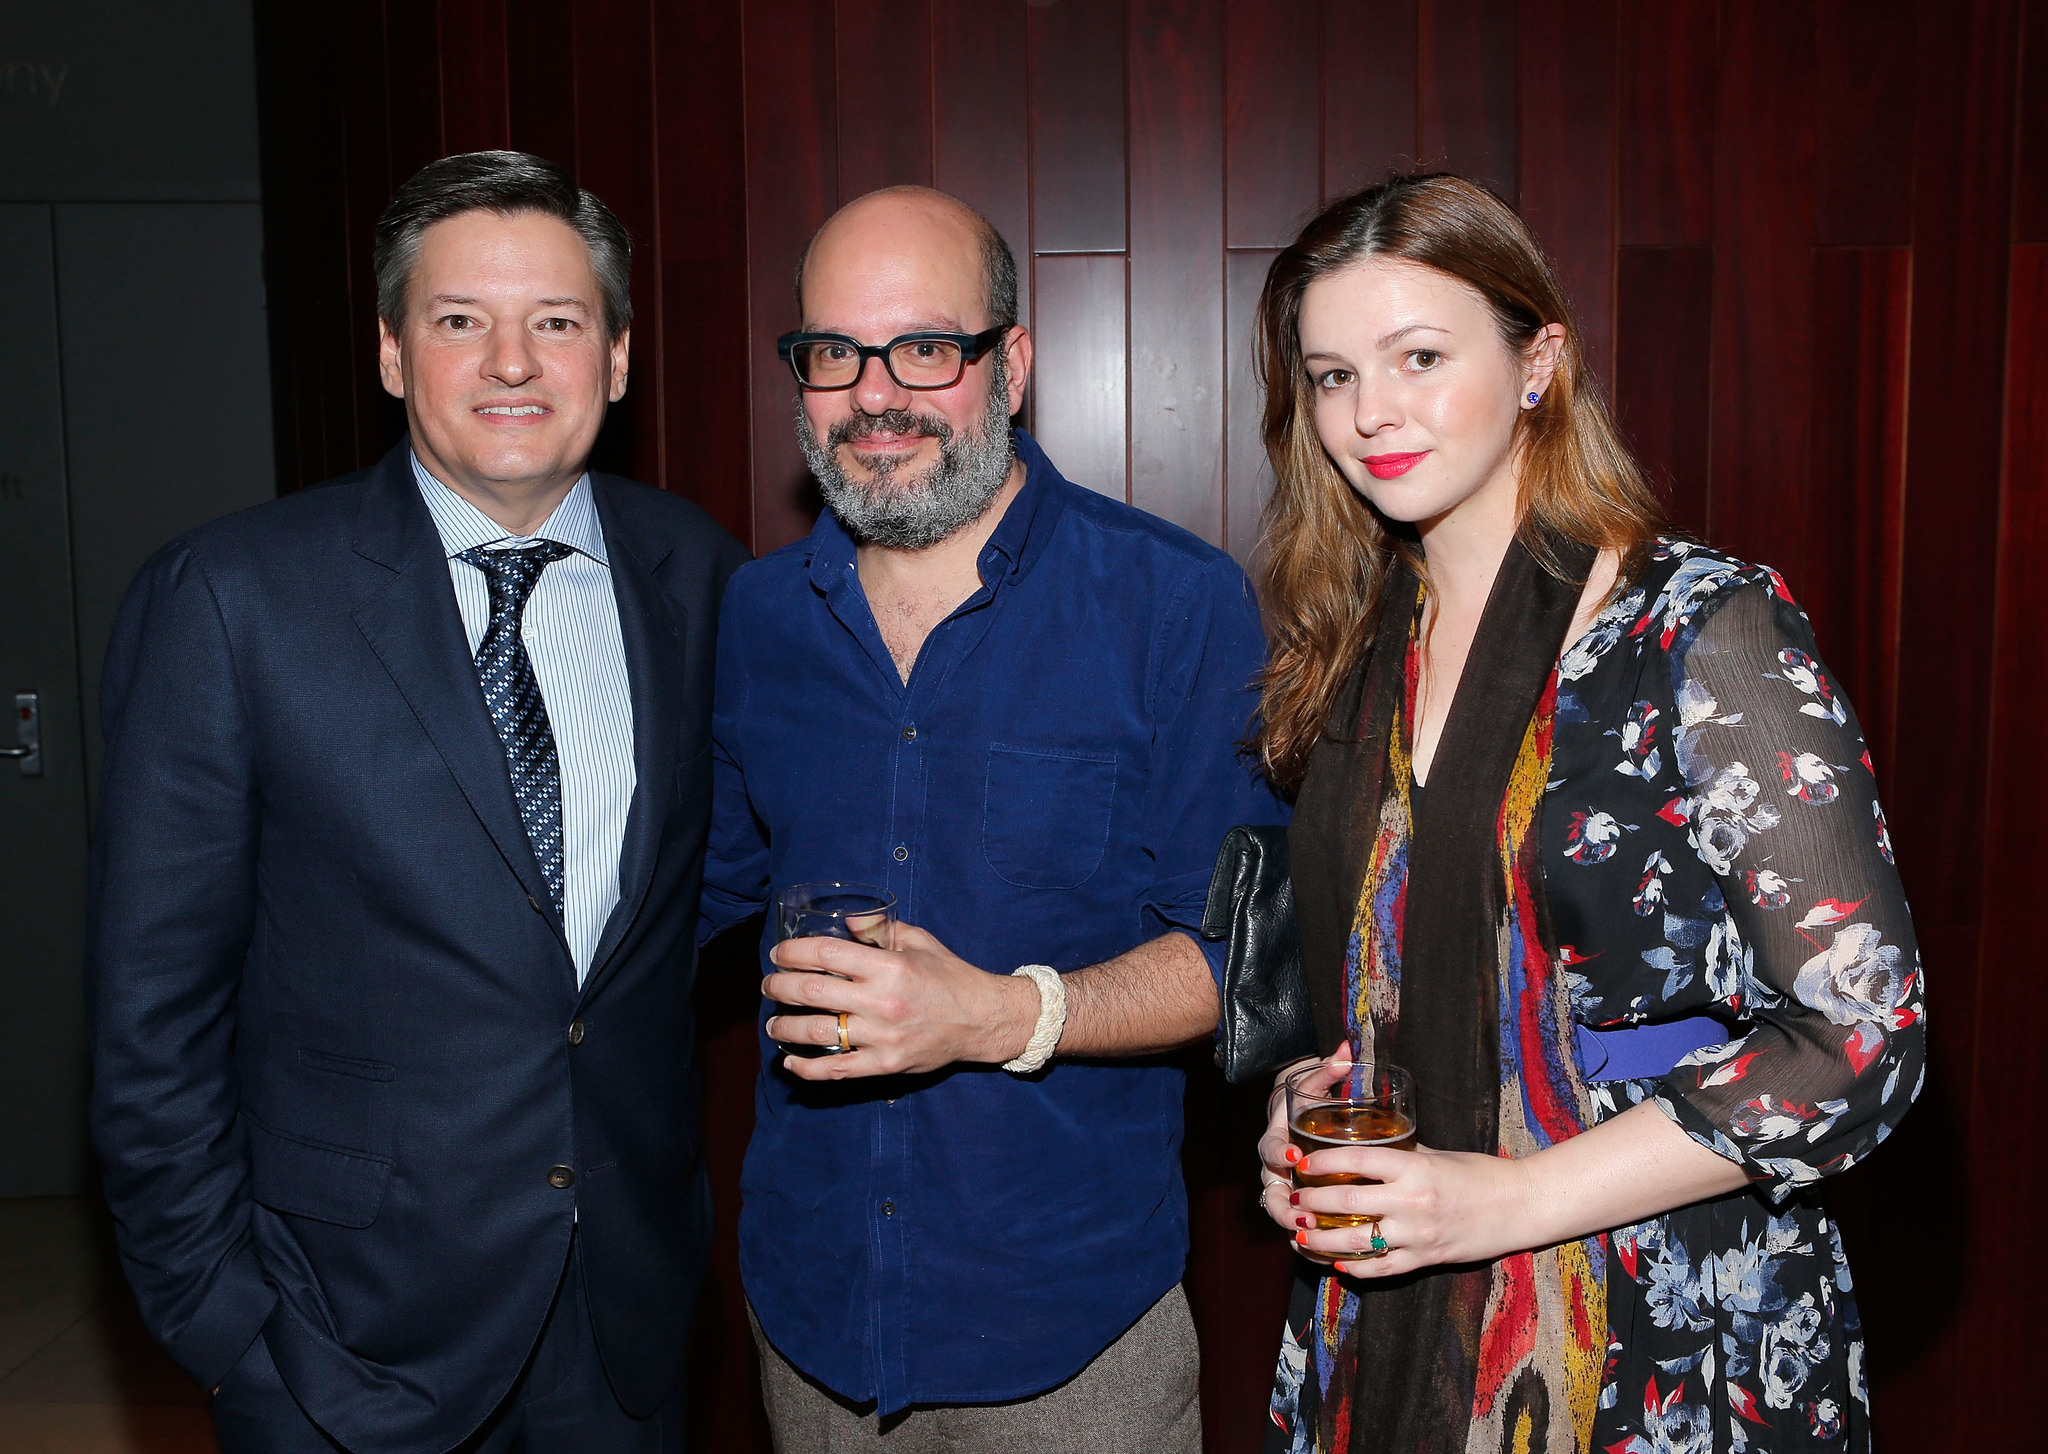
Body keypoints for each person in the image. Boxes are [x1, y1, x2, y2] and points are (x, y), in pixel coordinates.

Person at [1249, 174, 1922, 1454]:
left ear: (1535, 361)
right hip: (1389, 1298)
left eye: (1420, 356)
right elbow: (1360, 971)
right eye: (1331, 375)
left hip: (1653, 1302)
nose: (1369, 411)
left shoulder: (1697, 627)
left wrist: (1503, 1200)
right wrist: (1302, 1093)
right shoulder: (1348, 646)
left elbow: (1858, 1038)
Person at [88, 151, 746, 1453]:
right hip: (339, 1336)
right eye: (461, 322)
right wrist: (228, 1330)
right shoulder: (231, 601)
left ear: (616, 357)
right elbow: (149, 1017)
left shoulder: (705, 576)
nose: (512, 363)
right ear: (394, 354)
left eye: (556, 322)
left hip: (623, 1326)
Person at [698, 185, 1285, 1451]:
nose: (873, 393)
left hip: (1070, 1351)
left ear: (1009, 363)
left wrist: (992, 1013)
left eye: (924, 347)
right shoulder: (754, 620)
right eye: (831, 354)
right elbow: (682, 900)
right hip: (807, 1329)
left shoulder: (1171, 603)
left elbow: (1236, 962)